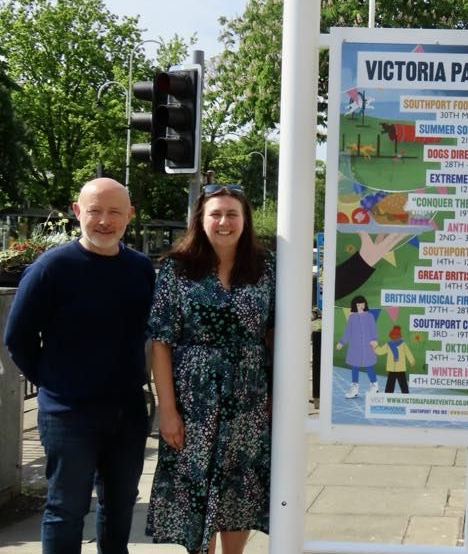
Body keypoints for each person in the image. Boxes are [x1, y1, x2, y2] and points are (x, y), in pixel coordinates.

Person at [4, 178, 155, 553]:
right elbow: (17, 338)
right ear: (77, 212)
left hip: (127, 410)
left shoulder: (140, 269)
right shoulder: (50, 269)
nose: (105, 220)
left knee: (121, 505)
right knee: (65, 508)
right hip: (68, 412)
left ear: (130, 216)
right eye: (95, 211)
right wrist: (54, 383)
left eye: (115, 212)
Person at [145, 184, 275, 554]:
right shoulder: (177, 268)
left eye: (232, 214)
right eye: (215, 214)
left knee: (239, 488)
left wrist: (276, 397)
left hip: (248, 399)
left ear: (244, 220)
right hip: (193, 399)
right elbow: (161, 342)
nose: (223, 222)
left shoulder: (266, 268)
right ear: (201, 220)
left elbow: (276, 333)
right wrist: (167, 411)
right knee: (195, 488)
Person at [337, 294, 379, 398]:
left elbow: (373, 329)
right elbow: (348, 332)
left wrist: (374, 340)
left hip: (367, 346)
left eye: (363, 303)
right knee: (354, 366)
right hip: (355, 347)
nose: (361, 305)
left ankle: (374, 385)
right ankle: (354, 388)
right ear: (355, 305)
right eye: (359, 304)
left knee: (368, 365)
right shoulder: (352, 318)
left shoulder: (369, 316)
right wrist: (341, 342)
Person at [374, 324, 415, 393]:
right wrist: (375, 347)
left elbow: (408, 353)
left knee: (402, 384)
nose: (394, 337)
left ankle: (405, 395)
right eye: (393, 335)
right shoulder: (389, 344)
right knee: (391, 384)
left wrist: (412, 361)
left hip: (400, 369)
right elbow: (381, 351)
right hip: (392, 369)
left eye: (396, 335)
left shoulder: (402, 344)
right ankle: (388, 395)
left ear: (399, 336)